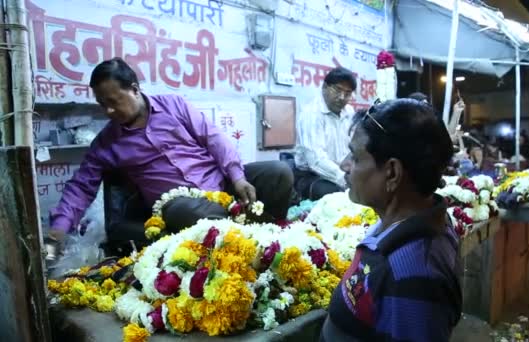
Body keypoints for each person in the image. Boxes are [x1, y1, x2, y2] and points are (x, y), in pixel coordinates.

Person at [47, 57, 294, 245]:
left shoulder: (174, 105)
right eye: (102, 105)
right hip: (179, 204)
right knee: (185, 211)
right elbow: (80, 186)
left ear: (134, 89)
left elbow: (214, 137)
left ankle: (265, 235)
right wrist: (59, 228)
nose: (108, 112)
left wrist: (237, 177)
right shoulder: (106, 143)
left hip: (221, 185)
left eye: (113, 102)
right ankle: (248, 238)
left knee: (278, 172)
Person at [321, 99, 462, 341]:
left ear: (392, 173)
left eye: (355, 158)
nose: (344, 165)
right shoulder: (402, 222)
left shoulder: (413, 275)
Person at [295, 67, 357, 200]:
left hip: (344, 172)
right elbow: (316, 161)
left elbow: (355, 148)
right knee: (338, 196)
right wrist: (346, 180)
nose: (341, 97)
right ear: (324, 87)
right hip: (312, 175)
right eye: (337, 90)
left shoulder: (350, 112)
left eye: (347, 93)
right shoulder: (311, 114)